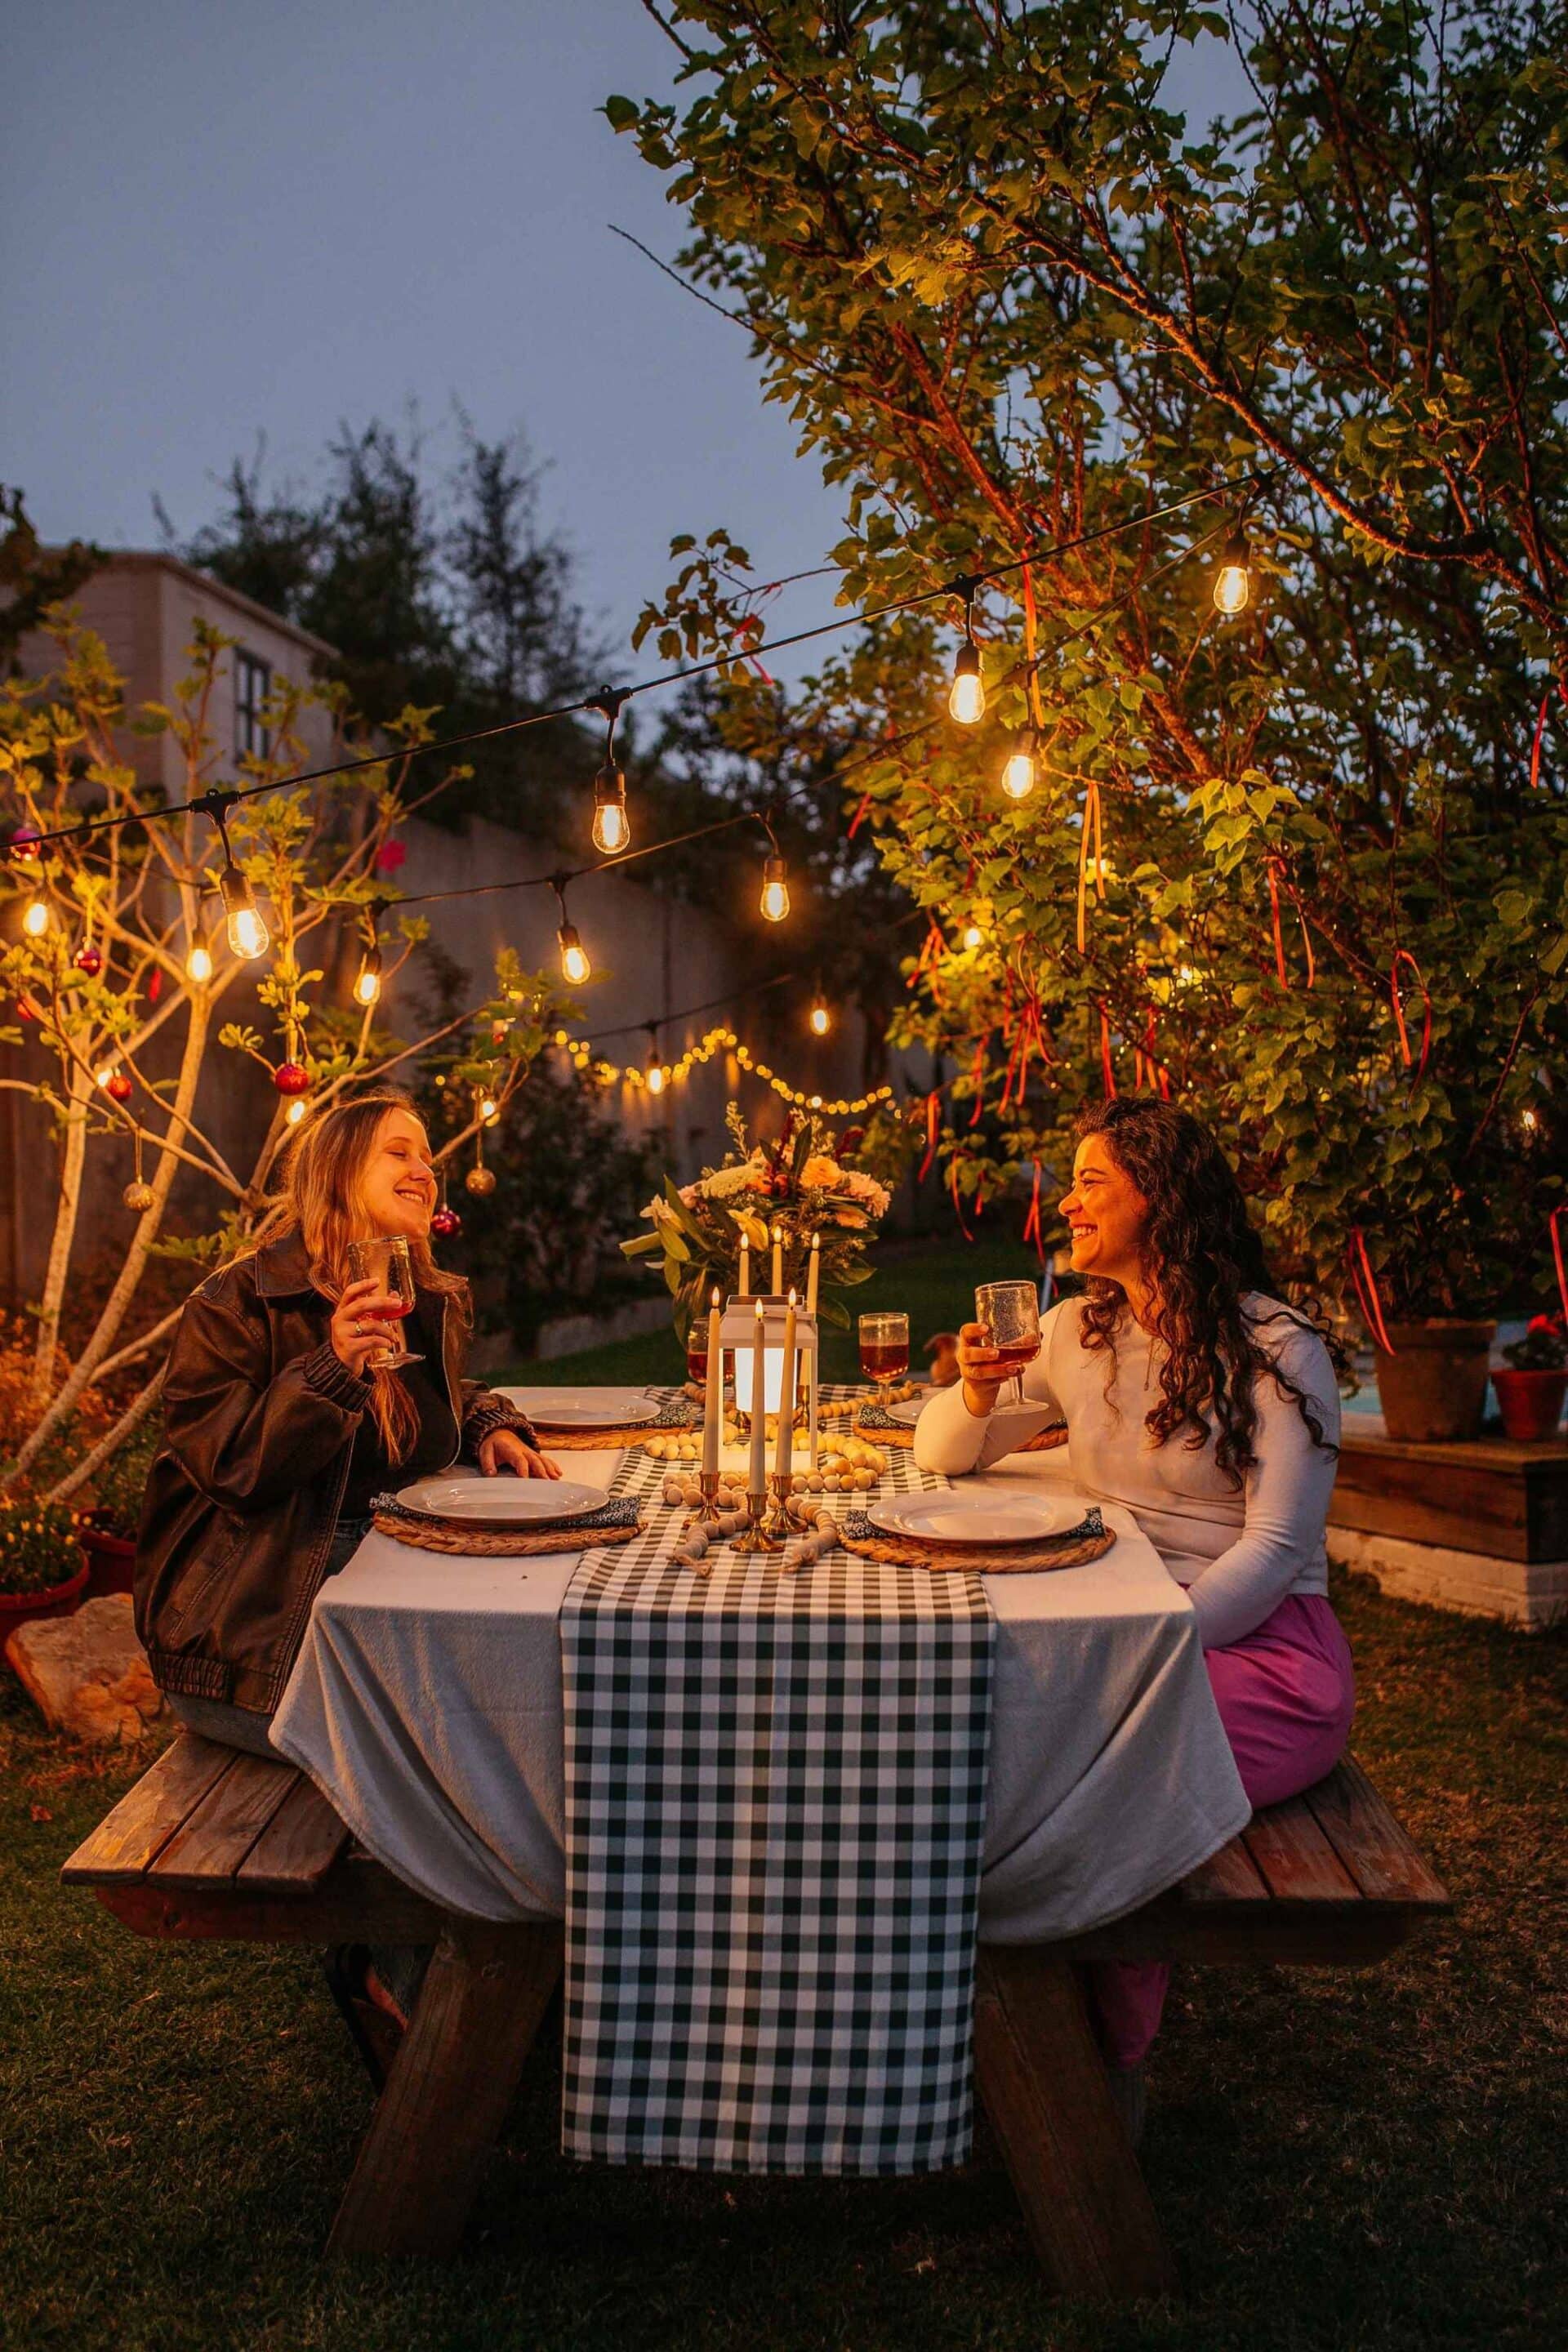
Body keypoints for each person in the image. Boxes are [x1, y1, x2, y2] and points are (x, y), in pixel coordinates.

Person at [914, 1098, 1354, 2137]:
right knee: (1006, 1745)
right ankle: (996, 2030)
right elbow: (940, 1455)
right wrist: (976, 1398)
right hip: (1120, 1624)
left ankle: (1106, 2069)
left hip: (1255, 1648)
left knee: (1113, 1779)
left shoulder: (1281, 1352)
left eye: (1090, 1181)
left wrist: (1150, 1646)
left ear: (1160, 1198)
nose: (1064, 1201)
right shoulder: (1075, 1329)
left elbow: (1279, 1549)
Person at [135, 1088, 559, 2059]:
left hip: (374, 1609)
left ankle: (517, 1967)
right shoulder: (238, 1305)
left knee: (511, 1694)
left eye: (429, 1159)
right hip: (245, 1639)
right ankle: (412, 1986)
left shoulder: (426, 1297)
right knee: (441, 1736)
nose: (425, 1170)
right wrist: (327, 1368)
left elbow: (443, 1401)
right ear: (336, 1176)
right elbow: (235, 1472)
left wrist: (488, 1423)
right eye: (397, 1154)